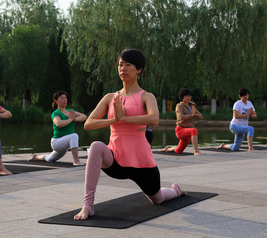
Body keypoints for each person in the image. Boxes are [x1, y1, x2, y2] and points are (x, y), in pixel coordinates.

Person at [73, 49, 185, 221]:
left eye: (128, 65)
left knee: (158, 199)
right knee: (96, 146)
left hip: (142, 164)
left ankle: (175, 190)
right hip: (116, 160)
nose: (122, 68)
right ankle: (87, 206)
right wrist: (113, 121)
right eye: (120, 65)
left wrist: (124, 117)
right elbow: (88, 124)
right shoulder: (110, 97)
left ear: (138, 69)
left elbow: (154, 119)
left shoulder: (146, 97)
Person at [27, 91, 87, 166]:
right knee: (74, 136)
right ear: (56, 101)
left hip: (64, 145)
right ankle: (76, 161)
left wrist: (73, 118)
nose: (64, 100)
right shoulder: (55, 113)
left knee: (49, 159)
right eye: (62, 98)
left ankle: (36, 157)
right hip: (57, 142)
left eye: (65, 98)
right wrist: (70, 119)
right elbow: (58, 123)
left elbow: (84, 117)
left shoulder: (70, 112)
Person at [160, 88, 203, 155]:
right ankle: (196, 151)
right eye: (187, 96)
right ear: (182, 97)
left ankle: (168, 149)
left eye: (190, 96)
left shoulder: (192, 106)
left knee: (178, 151)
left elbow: (201, 117)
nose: (189, 97)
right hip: (180, 130)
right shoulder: (179, 106)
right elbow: (180, 117)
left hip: (188, 132)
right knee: (194, 130)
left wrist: (196, 114)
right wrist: (192, 115)